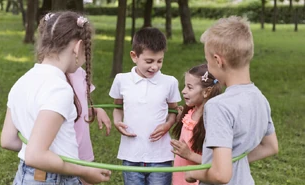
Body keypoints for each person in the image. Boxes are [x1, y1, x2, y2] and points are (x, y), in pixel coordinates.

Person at [0, 11, 111, 185]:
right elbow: (35, 155)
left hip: (24, 177)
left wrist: (44, 149)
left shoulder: (22, 82)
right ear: (78, 47)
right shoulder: (59, 89)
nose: (85, 58)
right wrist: (86, 172)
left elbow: (8, 140)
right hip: (54, 180)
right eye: (87, 51)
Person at [185, 16, 279, 185]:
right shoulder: (260, 98)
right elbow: (270, 147)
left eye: (208, 62)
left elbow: (221, 175)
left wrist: (194, 172)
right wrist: (229, 162)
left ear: (218, 61)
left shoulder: (218, 106)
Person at [109, 27, 181, 185]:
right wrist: (116, 122)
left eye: (159, 61)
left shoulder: (170, 82)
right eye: (149, 61)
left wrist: (168, 124)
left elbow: (174, 110)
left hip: (161, 156)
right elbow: (117, 107)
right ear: (134, 56)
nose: (154, 67)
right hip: (131, 155)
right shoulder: (122, 80)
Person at [170, 64, 222, 185]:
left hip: (197, 180)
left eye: (189, 87)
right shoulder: (190, 111)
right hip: (180, 177)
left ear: (206, 92)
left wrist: (189, 155)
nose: (183, 91)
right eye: (184, 86)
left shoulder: (212, 121)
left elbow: (216, 162)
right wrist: (179, 119)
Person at [68, 67, 112, 185]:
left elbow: (79, 110)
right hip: (62, 154)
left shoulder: (80, 72)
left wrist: (97, 110)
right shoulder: (52, 77)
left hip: (83, 151)